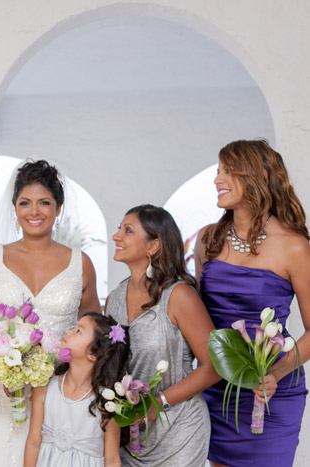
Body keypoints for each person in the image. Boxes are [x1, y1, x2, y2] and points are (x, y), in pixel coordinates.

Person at [0, 160, 101, 467]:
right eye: (25, 203)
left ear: (58, 208)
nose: (34, 212)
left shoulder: (81, 264)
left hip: (58, 395)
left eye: (44, 203)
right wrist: (2, 367)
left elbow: (95, 338)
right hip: (0, 396)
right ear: (14, 207)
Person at [194, 140, 310, 467]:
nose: (217, 180)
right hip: (219, 388)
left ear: (258, 174)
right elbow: (200, 318)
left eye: (228, 171)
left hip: (272, 392)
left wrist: (275, 371)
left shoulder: (294, 246)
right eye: (218, 171)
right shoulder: (207, 240)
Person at [106, 205, 219, 466]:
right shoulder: (113, 300)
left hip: (179, 430)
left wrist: (158, 403)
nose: (117, 237)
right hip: (131, 436)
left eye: (128, 230)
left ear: (153, 245)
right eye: (119, 229)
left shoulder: (179, 296)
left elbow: (214, 366)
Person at [24, 312, 129, 467]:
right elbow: (33, 442)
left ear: (93, 354)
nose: (68, 331)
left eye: (78, 331)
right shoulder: (45, 387)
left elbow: (112, 460)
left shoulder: (108, 402)